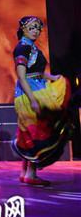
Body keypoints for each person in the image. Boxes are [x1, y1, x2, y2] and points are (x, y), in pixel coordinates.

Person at [12, 16, 73, 186]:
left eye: (38, 28)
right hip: (30, 92)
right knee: (38, 132)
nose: (36, 31)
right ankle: (31, 174)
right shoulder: (22, 48)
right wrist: (32, 99)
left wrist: (53, 78)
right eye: (32, 28)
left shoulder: (32, 48)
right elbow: (22, 76)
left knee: (31, 132)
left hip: (38, 88)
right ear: (24, 29)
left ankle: (25, 173)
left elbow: (37, 72)